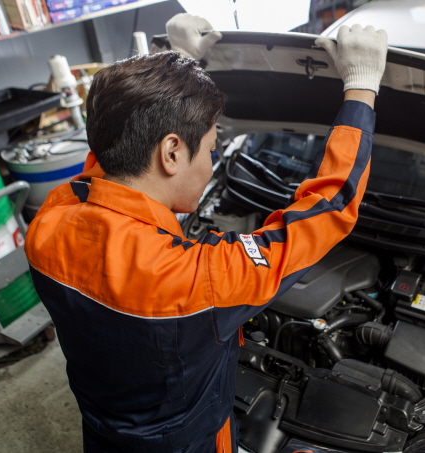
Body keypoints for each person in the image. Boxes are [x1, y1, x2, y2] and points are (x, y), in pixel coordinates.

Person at [24, 13, 388, 453]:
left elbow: (112, 155)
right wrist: (361, 87)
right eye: (212, 150)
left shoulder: (49, 220)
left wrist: (177, 63)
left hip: (104, 432)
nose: (212, 164)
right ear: (172, 152)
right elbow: (329, 208)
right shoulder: (198, 279)